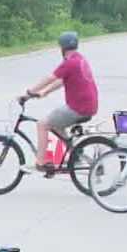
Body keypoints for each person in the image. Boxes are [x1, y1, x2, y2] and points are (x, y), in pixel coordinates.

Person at [19, 32, 98, 172]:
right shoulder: (79, 59)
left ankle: (40, 162)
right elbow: (62, 80)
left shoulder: (69, 63)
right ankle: (76, 156)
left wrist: (29, 93)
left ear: (62, 48)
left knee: (42, 124)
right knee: (55, 125)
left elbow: (50, 78)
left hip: (78, 107)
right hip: (87, 106)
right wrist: (45, 92)